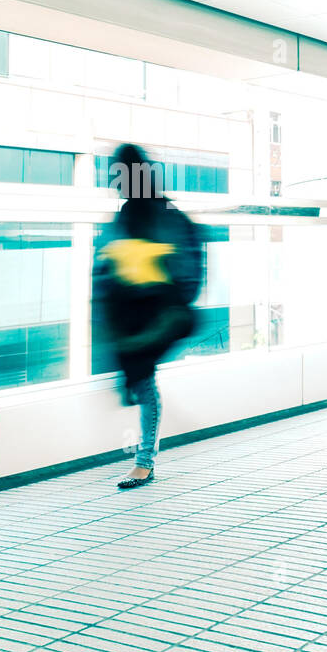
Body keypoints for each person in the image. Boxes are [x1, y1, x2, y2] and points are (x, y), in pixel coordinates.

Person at [94, 144, 202, 490]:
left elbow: (184, 269)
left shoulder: (162, 213)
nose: (115, 183)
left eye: (118, 176)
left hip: (159, 312)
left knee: (140, 374)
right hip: (135, 313)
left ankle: (144, 462)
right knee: (139, 375)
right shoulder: (128, 214)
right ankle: (143, 458)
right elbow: (108, 261)